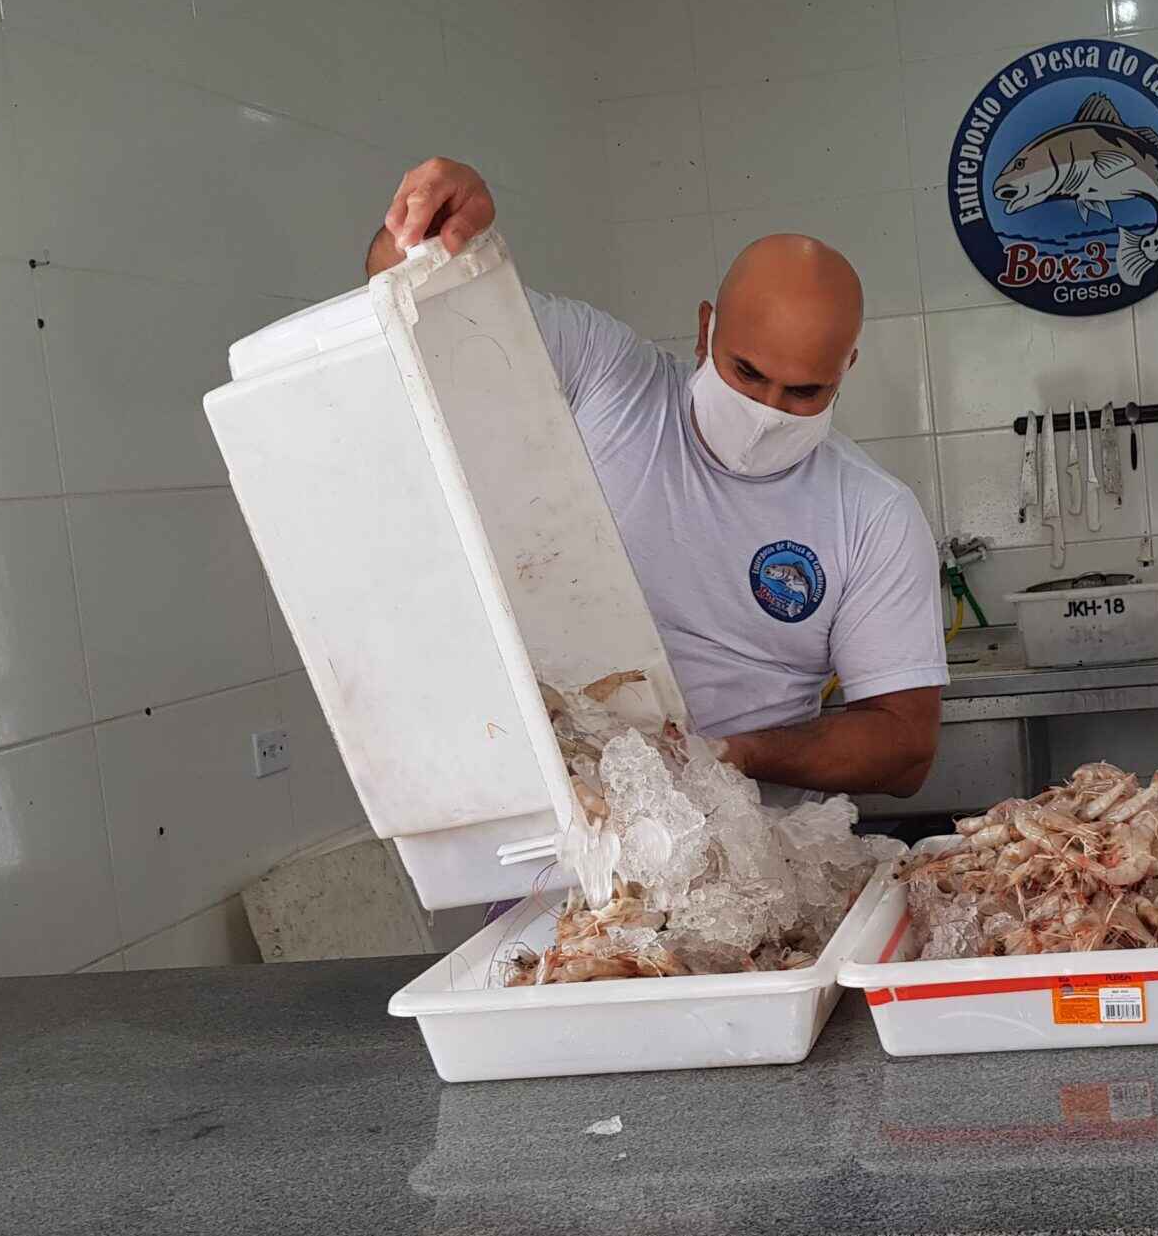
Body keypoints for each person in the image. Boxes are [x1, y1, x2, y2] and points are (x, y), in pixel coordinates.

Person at [366, 157, 945, 797]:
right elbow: (419, 314)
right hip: (561, 809)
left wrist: (732, 755)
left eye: (805, 392)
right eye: (747, 375)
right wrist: (424, 228)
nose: (768, 414)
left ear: (847, 370)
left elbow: (904, 748)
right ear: (705, 330)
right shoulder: (604, 376)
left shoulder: (873, 515)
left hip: (753, 846)